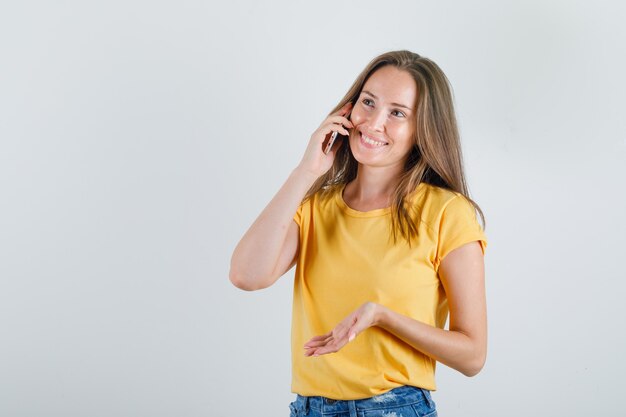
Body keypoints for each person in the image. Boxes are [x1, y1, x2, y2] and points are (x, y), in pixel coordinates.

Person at [229, 50, 487, 417]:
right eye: (368, 102)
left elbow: (473, 356)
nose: (374, 122)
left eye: (397, 112)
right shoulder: (317, 206)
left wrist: (383, 317)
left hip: (394, 407)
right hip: (308, 408)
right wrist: (307, 171)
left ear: (422, 129)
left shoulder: (447, 213)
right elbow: (246, 275)